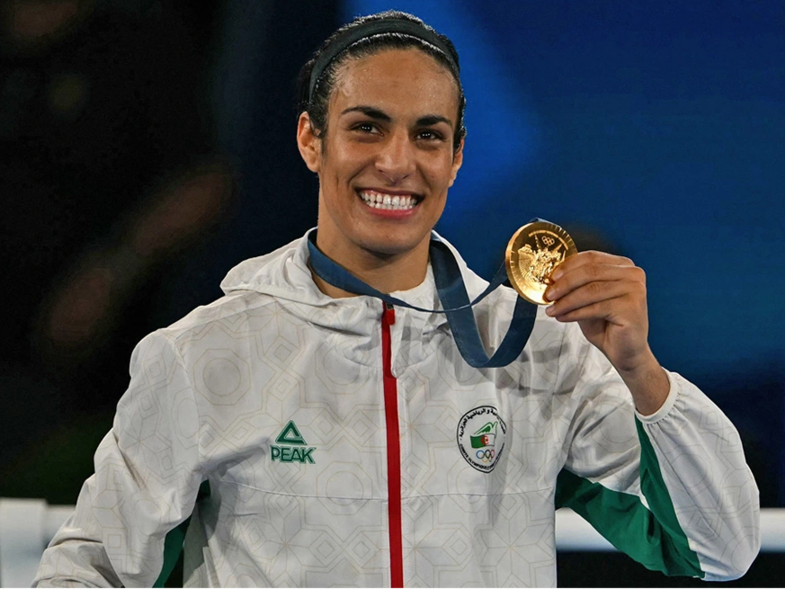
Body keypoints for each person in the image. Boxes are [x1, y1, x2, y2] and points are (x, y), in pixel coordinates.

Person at [34, 10, 759, 588]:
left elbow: (718, 546)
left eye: (427, 135)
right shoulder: (203, 354)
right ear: (311, 140)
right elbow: (90, 570)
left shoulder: (539, 353)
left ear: (456, 156)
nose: (396, 161)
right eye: (366, 127)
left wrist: (641, 373)